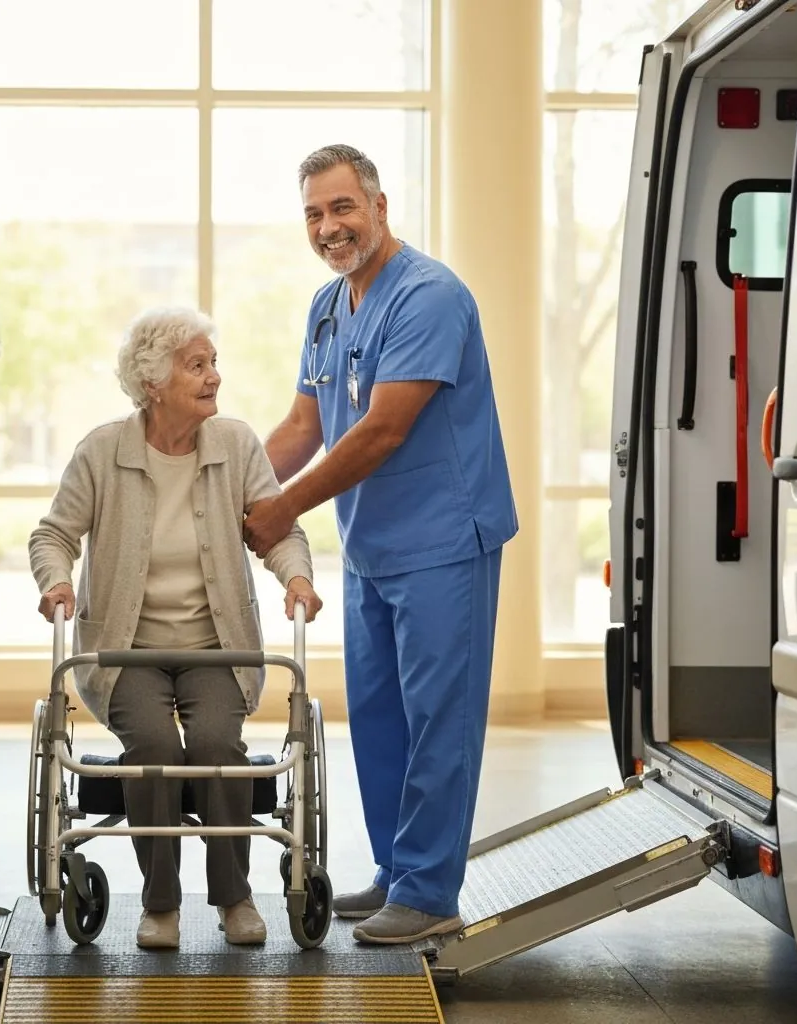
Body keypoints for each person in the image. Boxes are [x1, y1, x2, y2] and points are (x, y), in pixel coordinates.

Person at [243, 144, 518, 946]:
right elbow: (304, 426)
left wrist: (282, 510)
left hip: (443, 542)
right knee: (378, 718)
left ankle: (431, 890)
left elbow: (383, 431)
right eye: (315, 215)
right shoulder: (328, 307)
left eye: (342, 208)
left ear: (379, 206)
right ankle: (398, 871)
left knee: (439, 718)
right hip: (370, 548)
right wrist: (234, 495)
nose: (330, 228)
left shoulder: (430, 297)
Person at [28, 307, 323, 951]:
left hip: (215, 648)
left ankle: (235, 898)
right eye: (198, 365)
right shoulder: (103, 451)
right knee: (156, 747)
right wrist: (55, 583)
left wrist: (295, 578)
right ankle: (160, 904)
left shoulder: (237, 445)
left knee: (219, 742)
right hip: (126, 650)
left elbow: (280, 529)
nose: (215, 376)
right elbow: (54, 534)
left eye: (214, 363)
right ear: (153, 380)